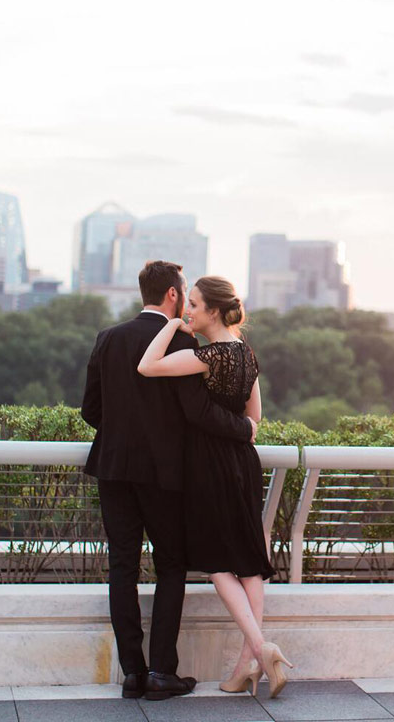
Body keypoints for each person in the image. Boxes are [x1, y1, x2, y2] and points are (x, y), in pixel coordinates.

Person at [81, 260, 257, 702]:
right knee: (171, 566)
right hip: (165, 473)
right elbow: (195, 412)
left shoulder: (109, 338)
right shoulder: (182, 341)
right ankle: (162, 672)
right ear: (175, 295)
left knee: (121, 565)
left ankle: (131, 674)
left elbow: (91, 411)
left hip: (114, 467)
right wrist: (245, 432)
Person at [138, 275, 292, 698]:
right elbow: (254, 420)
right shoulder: (245, 354)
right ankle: (247, 665)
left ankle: (261, 649)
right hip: (243, 462)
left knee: (217, 561)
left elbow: (147, 366)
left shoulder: (208, 356)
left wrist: (170, 327)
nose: (188, 310)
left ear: (212, 311)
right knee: (248, 558)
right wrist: (240, 430)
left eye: (193, 304)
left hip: (209, 464)